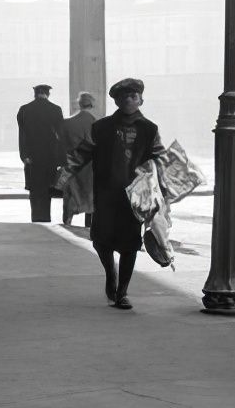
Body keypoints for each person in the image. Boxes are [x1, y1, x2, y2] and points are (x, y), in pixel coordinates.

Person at [58, 78, 165, 310]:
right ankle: (110, 273)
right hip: (106, 193)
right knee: (100, 241)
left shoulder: (150, 129)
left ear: (141, 100)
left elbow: (161, 159)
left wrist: (164, 191)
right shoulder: (101, 127)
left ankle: (122, 293)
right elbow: (80, 154)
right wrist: (61, 178)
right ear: (115, 100)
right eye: (123, 97)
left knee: (129, 245)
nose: (128, 100)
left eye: (133, 96)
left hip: (134, 196)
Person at [16, 84, 64, 222]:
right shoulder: (55, 109)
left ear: (35, 94)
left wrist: (24, 155)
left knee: (34, 189)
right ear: (48, 94)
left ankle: (36, 217)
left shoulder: (24, 110)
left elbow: (22, 134)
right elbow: (60, 136)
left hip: (32, 157)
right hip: (50, 157)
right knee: (47, 188)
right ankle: (45, 218)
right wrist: (61, 159)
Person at [61, 91, 97, 227]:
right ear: (91, 104)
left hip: (70, 164)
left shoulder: (66, 122)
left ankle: (67, 220)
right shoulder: (95, 122)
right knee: (89, 194)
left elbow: (60, 145)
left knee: (69, 193)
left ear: (79, 104)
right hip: (89, 165)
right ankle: (89, 224)